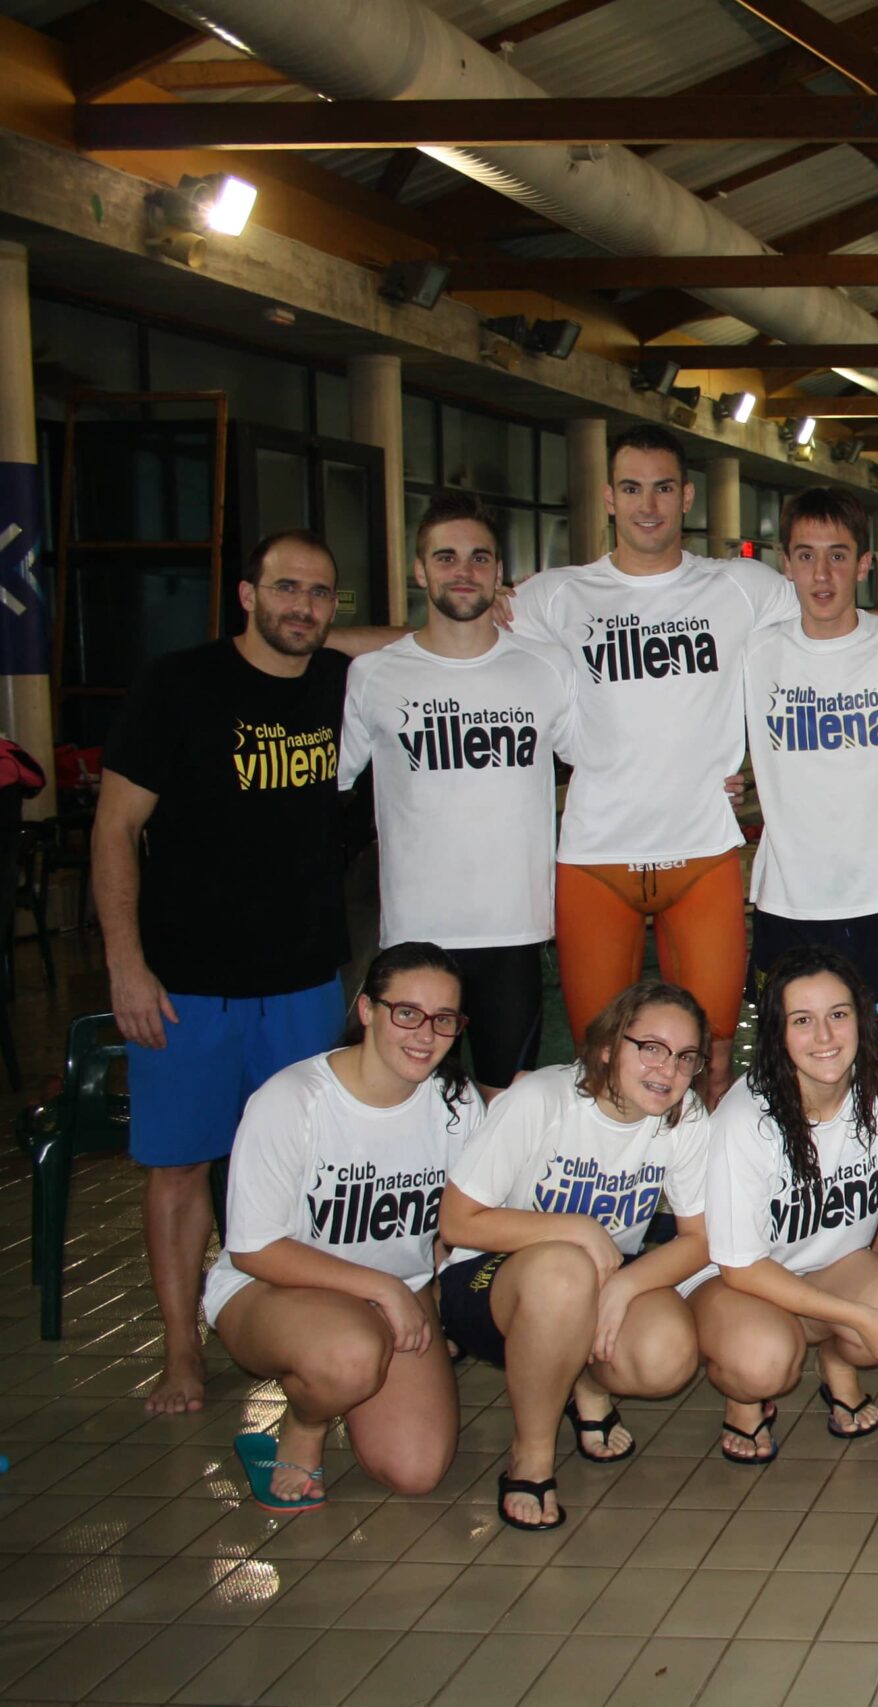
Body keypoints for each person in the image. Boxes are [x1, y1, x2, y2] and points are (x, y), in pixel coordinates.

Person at [100, 528, 354, 1414]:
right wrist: (125, 965)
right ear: (246, 595)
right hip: (187, 985)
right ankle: (181, 1347)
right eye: (286, 588)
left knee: (311, 1169)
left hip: (303, 979)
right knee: (180, 1169)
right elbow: (115, 827)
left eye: (320, 593)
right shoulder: (178, 685)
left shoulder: (335, 678)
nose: (302, 607)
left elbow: (405, 637)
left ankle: (313, 1328)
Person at [506, 426, 798, 1100]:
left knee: (712, 1058)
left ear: (687, 496)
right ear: (608, 497)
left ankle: (698, 1173)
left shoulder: (739, 586)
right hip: (596, 856)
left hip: (701, 853)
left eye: (663, 488)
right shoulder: (556, 596)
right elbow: (447, 646)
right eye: (632, 488)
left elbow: (839, 629)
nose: (648, 505)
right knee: (600, 1059)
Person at [207, 943, 480, 1511]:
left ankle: (350, 1382)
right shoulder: (293, 1100)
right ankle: (305, 1424)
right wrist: (382, 1288)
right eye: (407, 1013)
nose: (425, 1034)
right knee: (350, 1354)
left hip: (395, 1293)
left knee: (415, 1470)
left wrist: (433, 1293)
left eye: (444, 1019)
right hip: (274, 1288)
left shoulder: (456, 1104)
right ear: (367, 1010)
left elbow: (462, 1221)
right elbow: (254, 1248)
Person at [439, 981, 714, 1530]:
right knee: (564, 1269)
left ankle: (583, 1383)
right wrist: (576, 1228)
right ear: (609, 1046)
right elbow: (457, 1222)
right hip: (489, 1282)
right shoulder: (542, 1100)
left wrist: (625, 1287)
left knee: (666, 1355)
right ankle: (531, 1453)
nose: (667, 1070)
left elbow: (700, 1240)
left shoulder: (683, 1117)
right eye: (651, 1047)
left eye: (686, 1057)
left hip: (600, 1277)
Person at [340, 495, 575, 1098]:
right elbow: (326, 786)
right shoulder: (374, 675)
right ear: (419, 571)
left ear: (499, 574)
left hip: (513, 931)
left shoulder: (546, 669)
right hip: (415, 931)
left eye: (479, 558)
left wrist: (711, 776)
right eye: (445, 557)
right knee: (406, 1097)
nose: (463, 571)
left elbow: (608, 760)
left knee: (504, 1101)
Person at [743, 487, 878, 1079]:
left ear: (863, 564)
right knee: (786, 1065)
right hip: (789, 899)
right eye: (806, 555)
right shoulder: (755, 651)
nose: (822, 574)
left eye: (837, 555)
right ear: (785, 563)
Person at [691, 946, 878, 1463]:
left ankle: (835, 1362)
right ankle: (743, 1397)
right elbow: (740, 1265)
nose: (824, 1037)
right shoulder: (747, 1117)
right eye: (802, 1020)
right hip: (738, 1280)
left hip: (833, 1267)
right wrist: (858, 1316)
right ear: (776, 1033)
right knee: (762, 1362)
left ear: (861, 1019)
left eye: (838, 1015)